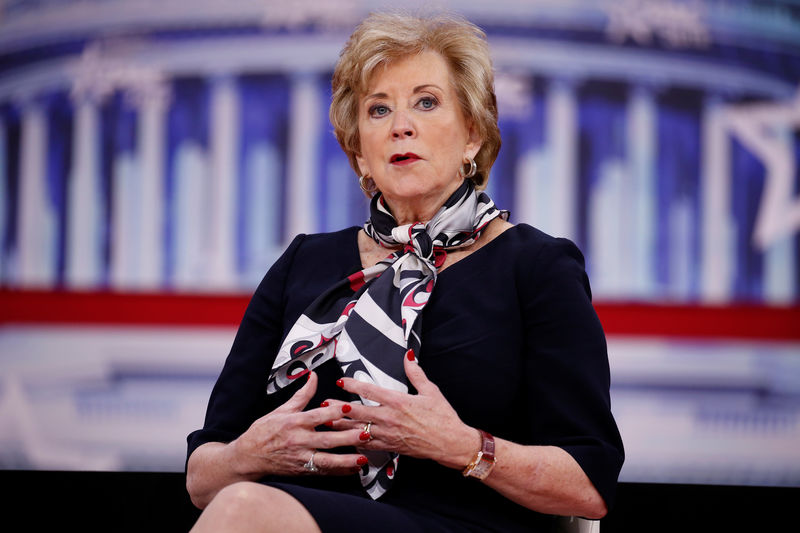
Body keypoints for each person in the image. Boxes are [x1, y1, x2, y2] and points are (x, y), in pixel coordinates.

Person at [186, 11, 624, 533]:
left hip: (461, 523)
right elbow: (201, 479)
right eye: (378, 110)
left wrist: (460, 446)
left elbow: (588, 486)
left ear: (472, 138)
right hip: (296, 515)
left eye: (426, 102)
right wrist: (249, 454)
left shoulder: (535, 266)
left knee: (245, 512)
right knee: (239, 505)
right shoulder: (303, 262)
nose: (401, 125)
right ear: (361, 155)